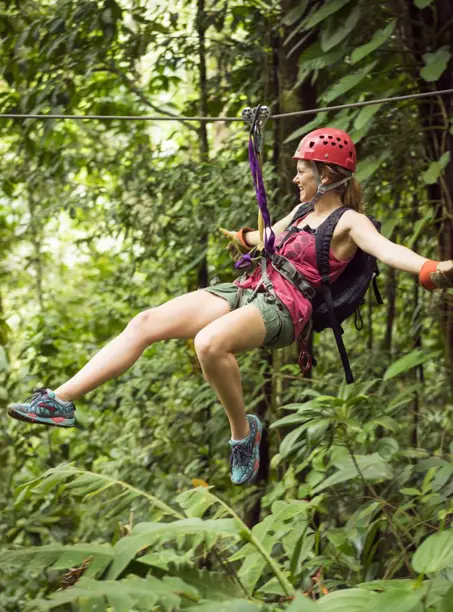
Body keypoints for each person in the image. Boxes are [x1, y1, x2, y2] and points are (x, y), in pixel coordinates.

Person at [7, 128, 453, 486]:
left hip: (285, 307)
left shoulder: (349, 222)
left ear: (327, 174)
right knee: (145, 323)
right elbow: (269, 238)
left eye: (302, 172)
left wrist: (430, 268)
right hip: (252, 286)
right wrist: (244, 238)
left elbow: (388, 249)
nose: (296, 179)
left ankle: (244, 434)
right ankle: (59, 401)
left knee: (209, 343)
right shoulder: (299, 214)